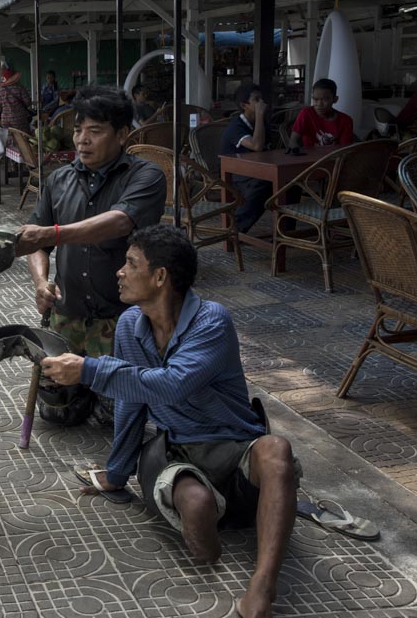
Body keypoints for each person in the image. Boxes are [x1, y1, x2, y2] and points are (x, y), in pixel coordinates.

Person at [41, 224, 299, 618]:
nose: (119, 272)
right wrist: (117, 471)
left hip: (232, 446)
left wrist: (90, 369)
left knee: (276, 449)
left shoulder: (212, 322)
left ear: (160, 277)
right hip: (175, 449)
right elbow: (133, 399)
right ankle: (206, 518)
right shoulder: (130, 323)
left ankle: (262, 585)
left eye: (130, 263)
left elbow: (172, 385)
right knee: (194, 504)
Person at [15, 85, 166, 427]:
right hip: (67, 315)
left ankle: (112, 393)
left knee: (117, 419)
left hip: (120, 318)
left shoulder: (146, 176)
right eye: (78, 130)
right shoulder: (59, 179)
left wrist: (54, 233)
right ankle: (82, 392)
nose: (82, 140)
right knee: (58, 414)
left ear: (122, 134)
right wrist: (41, 282)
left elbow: (119, 222)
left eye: (95, 131)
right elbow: (35, 242)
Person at [219, 83, 273, 233]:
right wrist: (261, 116)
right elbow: (256, 146)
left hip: (255, 169)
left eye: (261, 99)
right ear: (244, 105)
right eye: (256, 100)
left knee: (290, 183)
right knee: (265, 184)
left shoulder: (260, 123)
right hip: (234, 174)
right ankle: (236, 228)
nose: (261, 103)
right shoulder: (236, 126)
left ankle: (287, 231)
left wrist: (261, 119)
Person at [289, 78, 353, 147]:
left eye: (325, 99)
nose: (319, 104)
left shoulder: (346, 121)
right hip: (309, 157)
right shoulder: (306, 114)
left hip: (335, 157)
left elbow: (344, 151)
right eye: (315, 99)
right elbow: (293, 140)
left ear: (335, 99)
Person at [0, 67, 32, 134]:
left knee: (8, 137)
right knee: (22, 137)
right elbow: (28, 102)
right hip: (19, 118)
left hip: (5, 119)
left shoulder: (0, 90)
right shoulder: (19, 88)